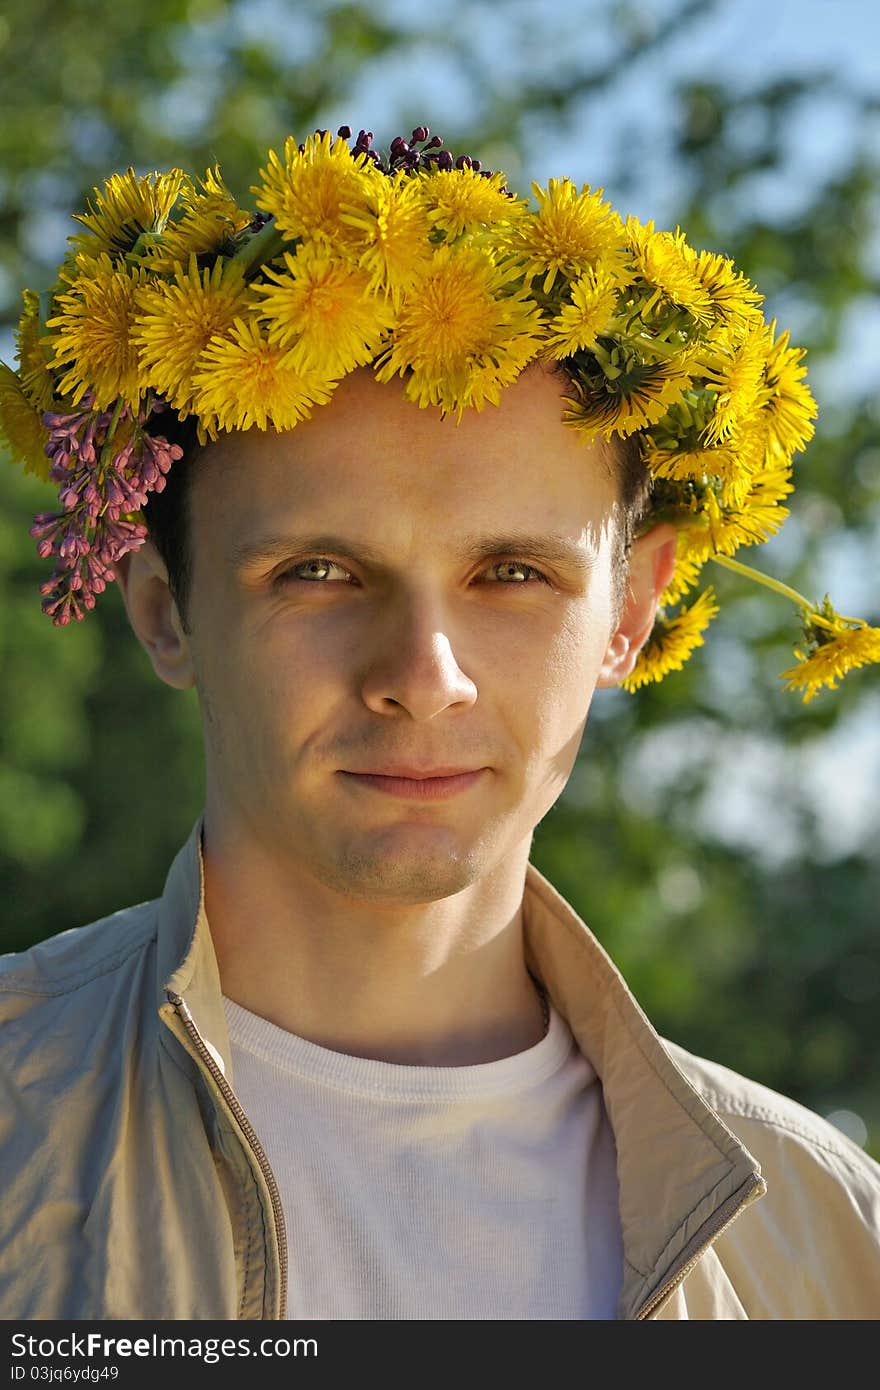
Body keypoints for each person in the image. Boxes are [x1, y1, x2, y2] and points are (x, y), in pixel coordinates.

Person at [0, 125, 878, 1322]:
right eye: (316, 572)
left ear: (631, 614)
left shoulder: (831, 1241)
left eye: (513, 574)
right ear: (166, 613)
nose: (424, 676)